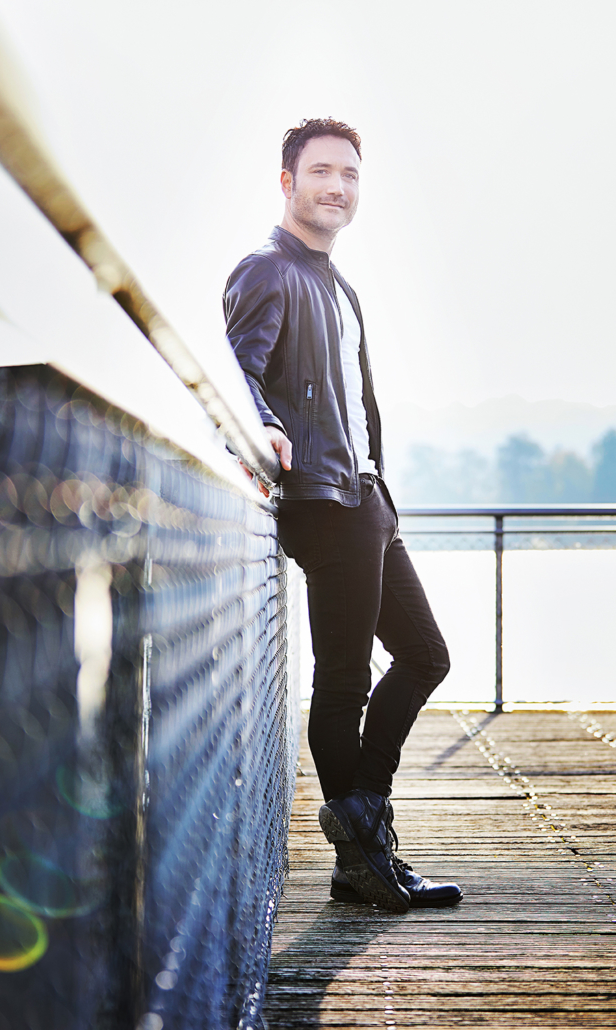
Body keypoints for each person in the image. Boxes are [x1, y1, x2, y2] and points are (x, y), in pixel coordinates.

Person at [223, 118, 461, 912]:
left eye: (350, 174)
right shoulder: (266, 270)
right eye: (322, 171)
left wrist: (378, 490)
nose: (338, 186)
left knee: (425, 656)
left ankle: (358, 837)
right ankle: (365, 852)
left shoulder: (337, 285)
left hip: (366, 499)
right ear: (287, 182)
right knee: (344, 680)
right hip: (323, 502)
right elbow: (240, 369)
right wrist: (263, 423)